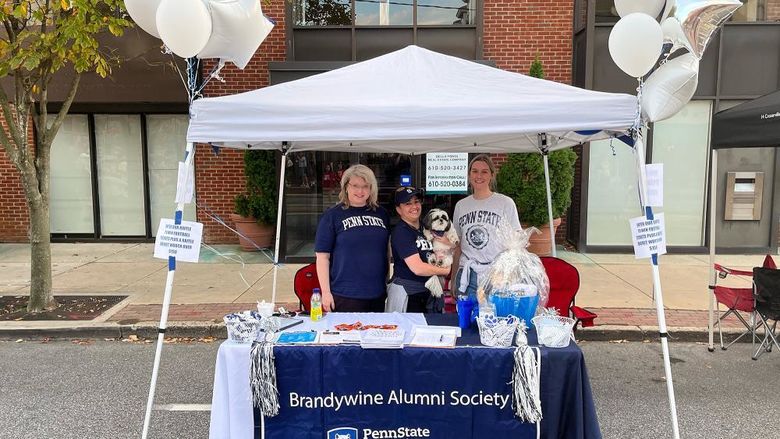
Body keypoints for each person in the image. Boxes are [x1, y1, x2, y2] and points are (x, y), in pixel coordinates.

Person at [314, 164, 390, 312]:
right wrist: (326, 292)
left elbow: (385, 252)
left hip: (377, 293)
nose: (360, 191)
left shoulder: (381, 213)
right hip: (345, 295)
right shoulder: (332, 216)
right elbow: (322, 257)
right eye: (355, 185)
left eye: (365, 186)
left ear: (371, 188)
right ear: (346, 187)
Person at [451, 154, 522, 298]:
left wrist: (510, 275)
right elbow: (458, 245)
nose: (479, 176)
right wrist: (453, 279)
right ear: (469, 174)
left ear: (492, 175)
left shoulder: (505, 203)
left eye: (484, 171)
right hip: (467, 274)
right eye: (475, 171)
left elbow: (515, 245)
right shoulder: (461, 205)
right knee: (466, 319)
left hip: (496, 275)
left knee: (494, 318)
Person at [386, 187, 451, 313]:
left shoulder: (426, 228)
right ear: (398, 209)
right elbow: (418, 268)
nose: (414, 206)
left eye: (416, 201)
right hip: (408, 293)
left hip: (428, 292)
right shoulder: (401, 232)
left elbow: (446, 246)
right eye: (408, 203)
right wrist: (445, 271)